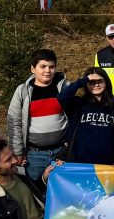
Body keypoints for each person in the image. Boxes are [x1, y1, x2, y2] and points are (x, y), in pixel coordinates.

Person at [7, 49, 69, 186]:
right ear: (33, 69)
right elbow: (14, 123)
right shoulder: (23, 91)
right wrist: (17, 151)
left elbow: (74, 116)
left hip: (61, 152)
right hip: (35, 155)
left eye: (51, 67)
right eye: (43, 66)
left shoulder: (64, 88)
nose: (48, 71)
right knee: (36, 188)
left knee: (62, 188)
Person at [56, 67, 114, 166]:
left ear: (106, 82)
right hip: (79, 163)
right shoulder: (78, 104)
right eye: (92, 82)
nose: (96, 85)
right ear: (86, 84)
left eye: (100, 81)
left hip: (107, 164)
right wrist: (83, 80)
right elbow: (61, 97)